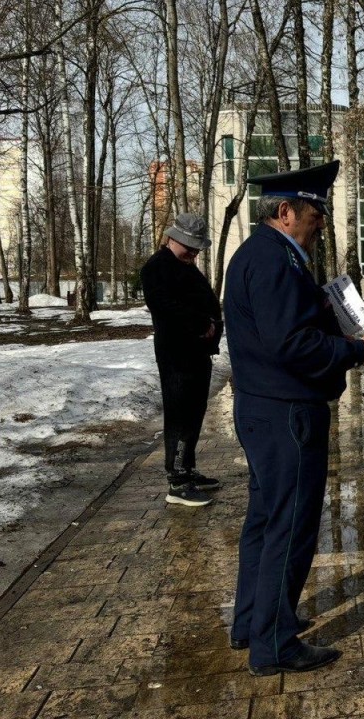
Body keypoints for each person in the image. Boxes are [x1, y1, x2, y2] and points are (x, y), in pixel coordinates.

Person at [224, 160, 364, 676]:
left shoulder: (264, 254)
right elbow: (290, 344)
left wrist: (348, 339)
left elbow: (288, 334)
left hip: (267, 409)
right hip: (286, 414)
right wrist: (356, 354)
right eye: (315, 211)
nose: (321, 221)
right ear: (285, 212)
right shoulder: (276, 261)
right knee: (291, 527)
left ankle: (254, 619)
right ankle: (273, 644)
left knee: (266, 521)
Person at [140, 213, 223, 508]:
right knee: (179, 414)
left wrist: (212, 323)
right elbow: (167, 308)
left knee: (194, 413)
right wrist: (203, 323)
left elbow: (206, 302)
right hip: (176, 354)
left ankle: (187, 470)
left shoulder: (185, 266)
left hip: (197, 353)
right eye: (189, 246)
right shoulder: (157, 268)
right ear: (171, 239)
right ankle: (176, 481)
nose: (193, 252)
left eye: (196, 248)